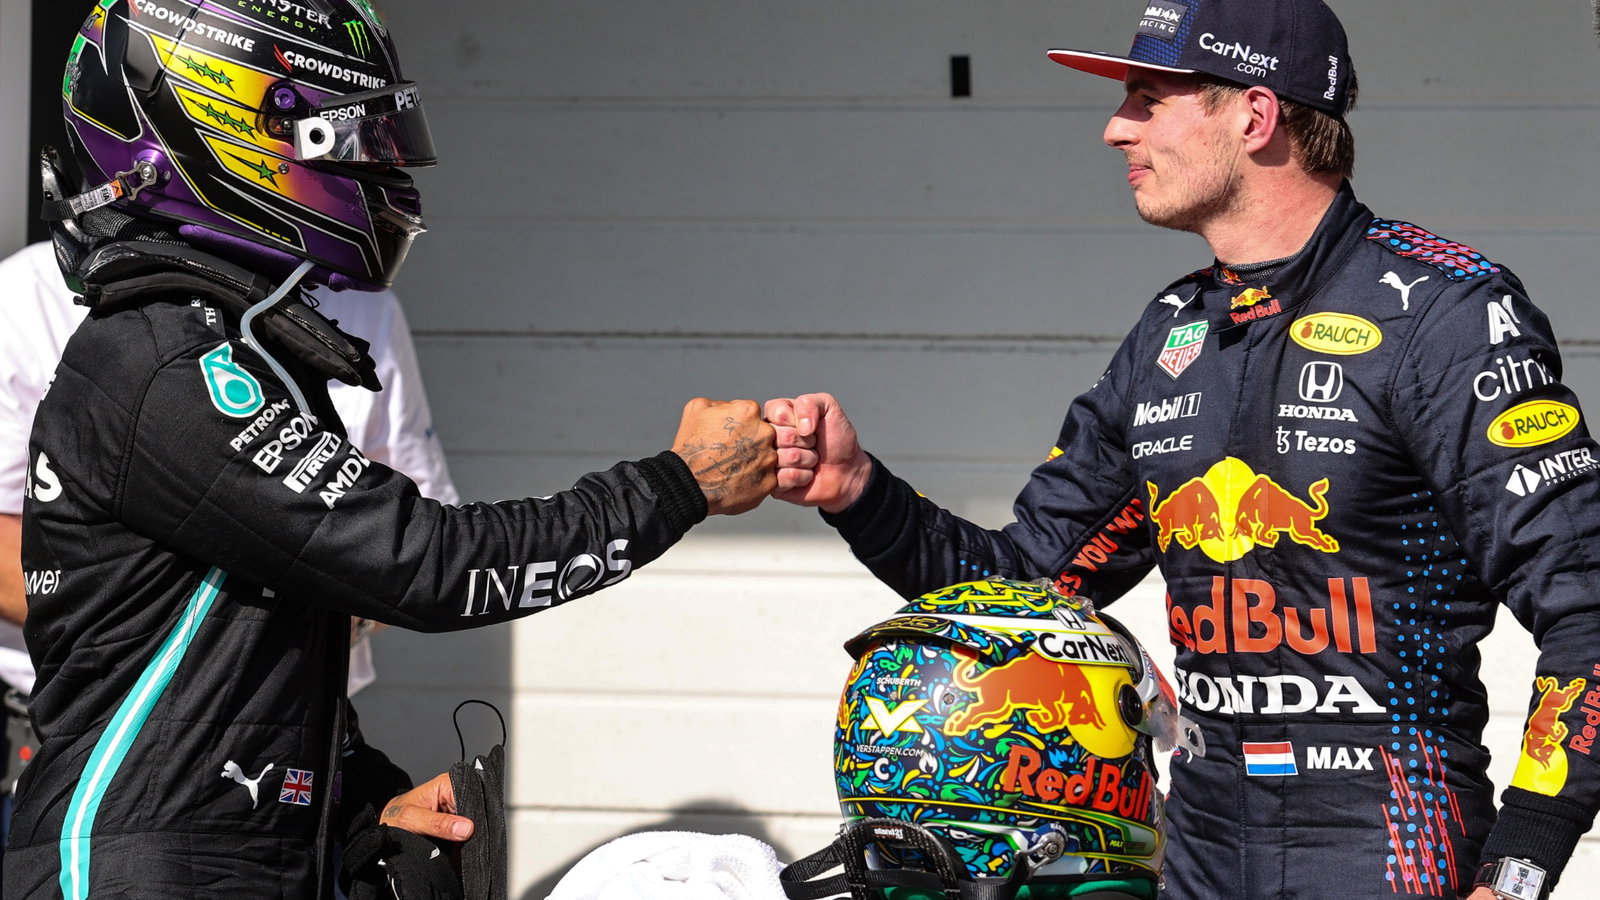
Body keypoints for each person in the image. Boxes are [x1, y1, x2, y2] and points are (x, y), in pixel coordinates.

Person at [768, 2, 1596, 898]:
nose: (1115, 127)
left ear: (1254, 112)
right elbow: (1019, 600)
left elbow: (1588, 614)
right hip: (1196, 858)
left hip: (1389, 854)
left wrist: (1514, 876)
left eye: (1149, 97)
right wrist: (856, 491)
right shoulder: (1172, 333)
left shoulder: (1445, 315)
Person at [3, 2, 775, 898]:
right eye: (347, 136)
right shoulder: (166, 357)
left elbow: (237, 656)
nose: (379, 166)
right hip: (137, 867)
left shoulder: (227, 341)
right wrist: (678, 486)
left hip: (219, 856)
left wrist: (360, 802)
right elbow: (424, 564)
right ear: (220, 129)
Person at [0, 239, 462, 858]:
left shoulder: (358, 299)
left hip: (306, 745)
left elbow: (407, 531)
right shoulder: (26, 296)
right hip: (97, 743)